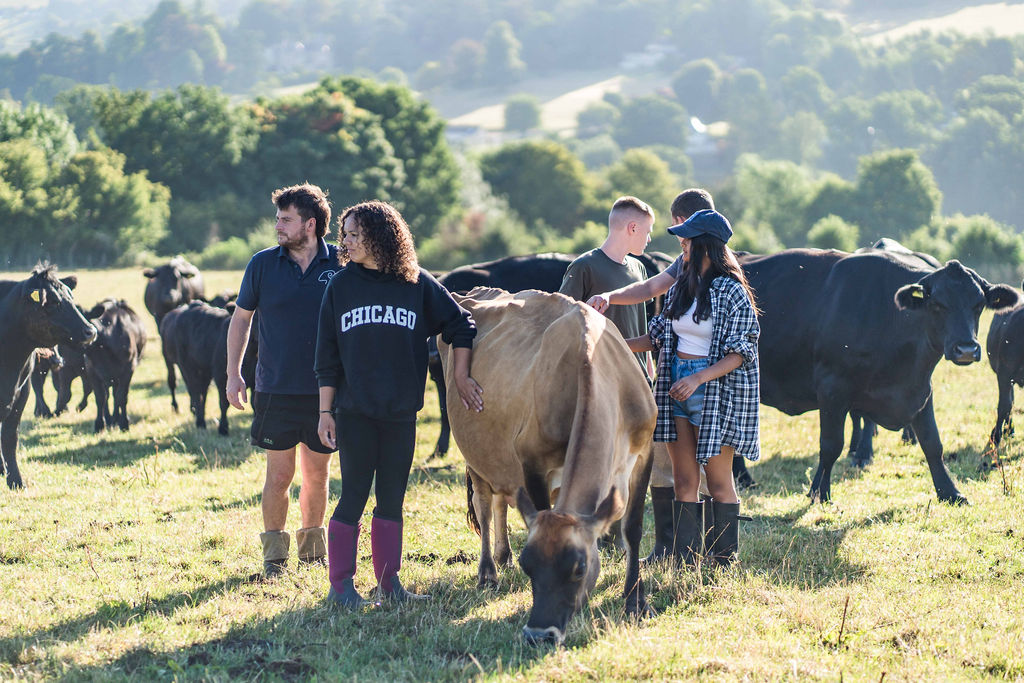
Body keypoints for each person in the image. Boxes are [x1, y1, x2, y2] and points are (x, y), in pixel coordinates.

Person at [315, 200, 483, 608]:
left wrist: (458, 375)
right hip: (354, 412)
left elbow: (462, 324)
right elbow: (326, 355)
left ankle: (389, 585)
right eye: (346, 234)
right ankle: (341, 586)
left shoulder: (416, 283)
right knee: (353, 494)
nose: (347, 242)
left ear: (381, 236)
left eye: (356, 234)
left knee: (392, 497)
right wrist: (324, 412)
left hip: (400, 412)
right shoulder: (340, 285)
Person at [622, 208, 760, 567]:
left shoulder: (731, 291)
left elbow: (742, 351)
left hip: (712, 389)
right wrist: (615, 343)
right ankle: (684, 561)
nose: (681, 247)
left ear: (706, 247)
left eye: (687, 241)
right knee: (684, 478)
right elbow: (657, 337)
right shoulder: (682, 284)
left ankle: (722, 561)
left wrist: (699, 377)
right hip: (673, 382)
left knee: (717, 482)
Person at [586, 189, 715, 562]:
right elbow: (651, 291)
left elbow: (651, 289)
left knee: (697, 468)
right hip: (674, 375)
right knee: (668, 462)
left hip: (701, 379)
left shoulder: (715, 271)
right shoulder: (683, 264)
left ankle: (697, 549)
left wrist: (610, 297)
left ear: (681, 222)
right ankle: (671, 547)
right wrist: (612, 298)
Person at [226, 183, 339, 578]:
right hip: (273, 387)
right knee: (278, 475)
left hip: (327, 392)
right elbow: (241, 319)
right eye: (278, 218)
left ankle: (312, 553)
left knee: (318, 475)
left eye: (286, 219)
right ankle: (274, 558)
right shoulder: (262, 264)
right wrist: (233, 373)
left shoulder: (341, 264)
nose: (278, 226)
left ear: (310, 224)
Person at [559, 196, 654, 376]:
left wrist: (649, 372)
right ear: (633, 228)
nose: (649, 239)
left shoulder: (639, 268)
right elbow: (561, 322)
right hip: (601, 379)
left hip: (638, 378)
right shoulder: (583, 266)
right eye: (648, 232)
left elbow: (641, 324)